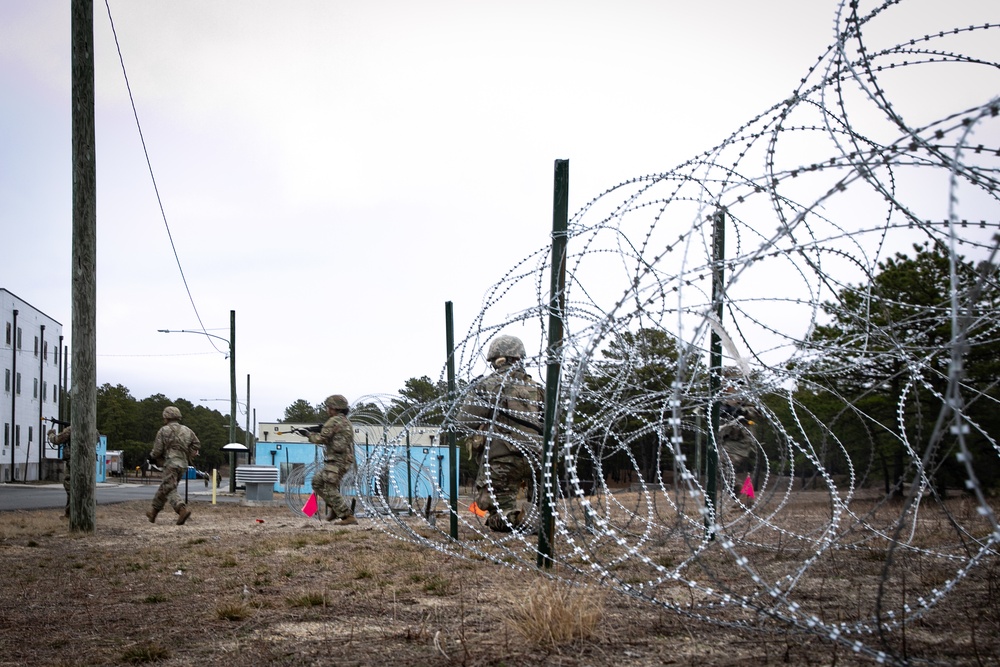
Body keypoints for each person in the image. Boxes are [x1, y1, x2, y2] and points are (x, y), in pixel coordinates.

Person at [458, 334, 544, 533]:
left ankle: (518, 518)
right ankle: (540, 517)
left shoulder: (487, 386)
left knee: (496, 514)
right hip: (536, 461)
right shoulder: (538, 389)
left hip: (502, 461)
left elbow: (465, 423)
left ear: (497, 359)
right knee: (541, 504)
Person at [307, 394, 357, 525]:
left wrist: (309, 435)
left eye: (328, 407)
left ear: (334, 408)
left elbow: (322, 439)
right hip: (341, 460)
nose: (327, 410)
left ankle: (347, 516)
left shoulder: (334, 421)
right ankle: (336, 507)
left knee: (330, 487)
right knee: (317, 482)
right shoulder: (344, 421)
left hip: (337, 460)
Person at [147, 406, 200, 525]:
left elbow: (157, 450)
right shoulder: (187, 430)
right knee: (165, 487)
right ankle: (153, 512)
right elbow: (196, 444)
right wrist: (188, 453)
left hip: (171, 463)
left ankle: (181, 509)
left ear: (166, 417)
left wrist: (152, 457)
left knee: (169, 488)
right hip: (183, 464)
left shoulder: (163, 430)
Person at [46, 423, 72, 517]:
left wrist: (51, 434)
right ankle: (70, 513)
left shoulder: (71, 430)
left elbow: (57, 440)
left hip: (73, 464)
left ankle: (70, 514)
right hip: (87, 465)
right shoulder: (93, 429)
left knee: (70, 487)